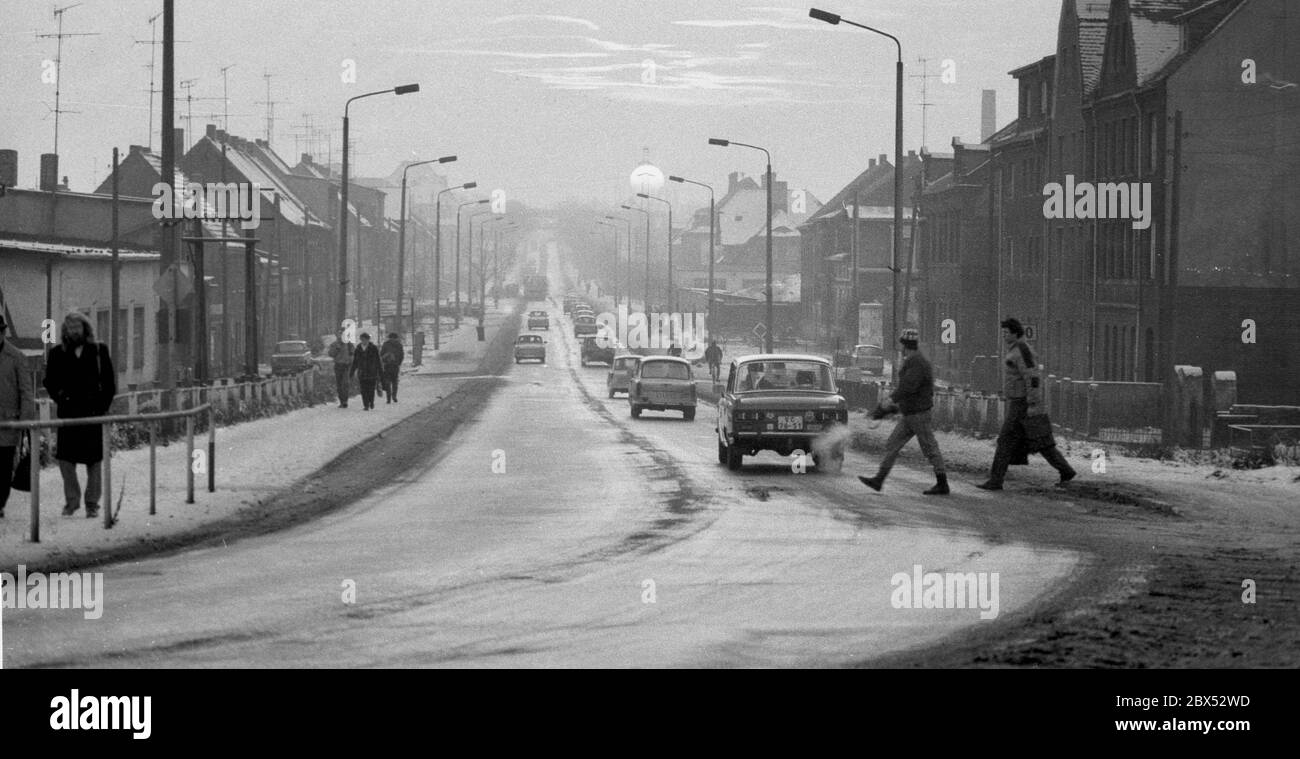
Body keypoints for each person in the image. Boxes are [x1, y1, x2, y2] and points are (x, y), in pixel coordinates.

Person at [976, 318, 1077, 490]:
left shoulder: (1021, 350)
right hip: (1018, 402)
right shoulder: (1015, 350)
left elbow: (1033, 377)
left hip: (1022, 404)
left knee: (1006, 440)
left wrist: (1032, 403)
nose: (1003, 335)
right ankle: (1065, 470)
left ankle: (996, 480)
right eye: (1003, 332)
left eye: (1006, 332)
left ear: (1015, 333)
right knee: (1039, 441)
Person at [42, 312, 116, 518]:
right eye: (69, 328)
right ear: (64, 331)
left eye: (77, 327)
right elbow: (50, 381)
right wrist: (61, 398)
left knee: (94, 460)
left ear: (85, 328)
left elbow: (109, 383)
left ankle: (92, 503)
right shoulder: (57, 353)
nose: (73, 331)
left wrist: (101, 407)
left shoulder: (99, 351)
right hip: (69, 414)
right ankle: (72, 501)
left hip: (93, 414)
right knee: (65, 460)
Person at [858, 328, 949, 495]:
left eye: (902, 346)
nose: (901, 349)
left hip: (919, 414)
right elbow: (910, 391)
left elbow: (908, 387)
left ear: (905, 346)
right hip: (911, 413)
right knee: (893, 444)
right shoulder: (915, 361)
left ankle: (942, 483)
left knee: (929, 447)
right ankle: (879, 479)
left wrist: (890, 402)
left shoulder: (917, 362)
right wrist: (890, 408)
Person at [0, 314, 37, 518]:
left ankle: (0, 502)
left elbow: (26, 392)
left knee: (4, 465)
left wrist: (25, 421)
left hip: (8, 422)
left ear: (3, 333)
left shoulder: (16, 357)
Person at [351, 332, 382, 411]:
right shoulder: (358, 348)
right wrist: (352, 371)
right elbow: (355, 361)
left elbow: (378, 360)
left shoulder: (373, 348)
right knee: (363, 390)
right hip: (362, 372)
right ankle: (366, 405)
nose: (364, 341)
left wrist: (380, 371)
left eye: (365, 340)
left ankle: (371, 402)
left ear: (368, 340)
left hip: (372, 372)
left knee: (371, 389)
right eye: (362, 340)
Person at [327, 330, 354, 408]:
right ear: (337, 336)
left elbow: (353, 354)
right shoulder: (334, 344)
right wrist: (336, 349)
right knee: (339, 385)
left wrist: (351, 361)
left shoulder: (349, 344)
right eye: (339, 335)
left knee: (345, 384)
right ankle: (342, 401)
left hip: (346, 366)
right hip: (338, 366)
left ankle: (345, 401)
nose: (341, 336)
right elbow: (331, 354)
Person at [380, 332, 404, 404]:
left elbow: (381, 354)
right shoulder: (399, 345)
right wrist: (398, 363)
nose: (393, 340)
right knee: (394, 382)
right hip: (394, 365)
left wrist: (385, 359)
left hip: (388, 365)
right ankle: (393, 396)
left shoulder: (386, 344)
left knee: (388, 382)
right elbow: (401, 355)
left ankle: (389, 398)